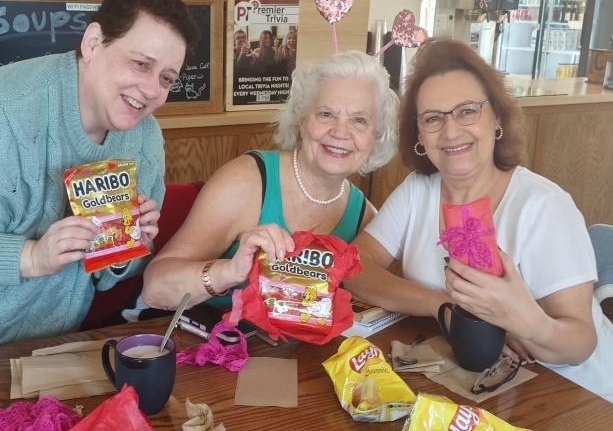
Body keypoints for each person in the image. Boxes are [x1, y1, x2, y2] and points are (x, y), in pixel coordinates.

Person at [344, 38, 613, 402]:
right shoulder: (419, 190)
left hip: (577, 394)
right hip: (481, 387)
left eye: (467, 111)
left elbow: (580, 344)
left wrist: (520, 318)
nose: (451, 131)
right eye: (433, 118)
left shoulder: (544, 206)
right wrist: (445, 309)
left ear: (496, 116)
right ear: (419, 135)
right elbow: (355, 266)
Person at [0, 0, 199, 345]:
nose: (152, 91)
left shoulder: (145, 139)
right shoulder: (7, 110)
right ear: (93, 43)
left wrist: (127, 245)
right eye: (140, 64)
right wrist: (32, 257)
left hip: (56, 345)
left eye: (166, 78)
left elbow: (111, 276)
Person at [141, 50, 399, 311]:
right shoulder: (246, 182)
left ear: (376, 135)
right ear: (302, 121)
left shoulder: (366, 218)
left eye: (359, 120)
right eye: (326, 114)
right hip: (202, 332)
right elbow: (154, 288)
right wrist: (231, 271)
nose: (341, 132)